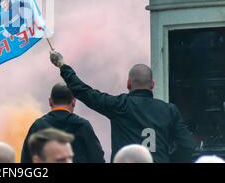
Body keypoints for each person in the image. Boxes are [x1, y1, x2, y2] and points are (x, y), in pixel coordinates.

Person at [49, 50, 196, 163]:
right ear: (152, 85)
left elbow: (85, 92)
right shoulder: (169, 111)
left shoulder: (119, 106)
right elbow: (188, 145)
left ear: (128, 84)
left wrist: (63, 66)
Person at [21, 83, 105, 163]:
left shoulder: (37, 126)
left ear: (50, 101)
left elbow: (26, 160)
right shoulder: (83, 125)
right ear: (73, 102)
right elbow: (98, 159)